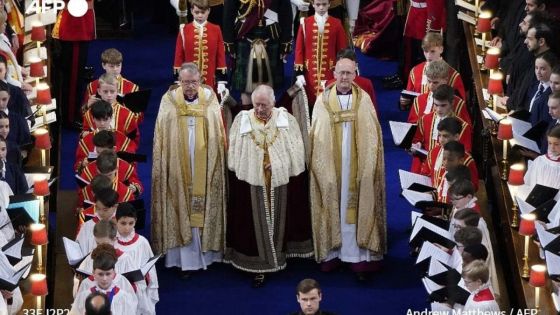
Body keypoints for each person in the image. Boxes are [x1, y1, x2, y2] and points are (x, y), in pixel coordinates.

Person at [309, 56, 385, 281]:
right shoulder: (323, 101)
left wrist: (367, 165)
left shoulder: (364, 101)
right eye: (341, 73)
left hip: (357, 164)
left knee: (358, 202)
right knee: (332, 199)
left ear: (355, 75)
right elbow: (317, 134)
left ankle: (358, 257)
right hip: (331, 165)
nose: (344, 78)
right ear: (334, 73)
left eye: (349, 73)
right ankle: (332, 252)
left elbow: (372, 136)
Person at [227, 84, 311, 287]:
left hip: (279, 182)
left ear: (273, 102)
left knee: (281, 219)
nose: (259, 109)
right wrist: (253, 167)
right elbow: (234, 154)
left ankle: (281, 255)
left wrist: (279, 165)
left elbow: (297, 154)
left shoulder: (286, 120)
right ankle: (258, 264)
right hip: (252, 184)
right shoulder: (242, 120)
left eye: (264, 105)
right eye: (256, 105)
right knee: (253, 223)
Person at [151, 63, 226, 277]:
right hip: (177, 162)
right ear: (179, 81)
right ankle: (183, 259)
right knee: (179, 202)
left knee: (204, 200)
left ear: (201, 80)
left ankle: (208, 253)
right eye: (185, 82)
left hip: (204, 161)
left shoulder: (210, 99)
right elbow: (161, 133)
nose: (190, 87)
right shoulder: (169, 100)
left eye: (194, 82)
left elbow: (217, 132)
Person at [223, 0, 293, 107]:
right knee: (245, 86)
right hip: (245, 36)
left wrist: (285, 43)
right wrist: (230, 43)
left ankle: (268, 118)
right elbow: (228, 14)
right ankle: (247, 118)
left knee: (269, 86)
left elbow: (286, 14)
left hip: (271, 37)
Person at [294, 0, 347, 106]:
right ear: (313, 5)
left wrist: (340, 69)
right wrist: (299, 73)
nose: (321, 8)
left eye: (324, 4)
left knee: (328, 100)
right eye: (318, 5)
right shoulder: (305, 23)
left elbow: (342, 50)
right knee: (309, 100)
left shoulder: (336, 23)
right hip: (309, 72)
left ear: (329, 5)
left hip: (330, 70)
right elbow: (299, 48)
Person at [411, 85, 472, 174]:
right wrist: (417, 145)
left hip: (448, 170)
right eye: (436, 105)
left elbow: (464, 153)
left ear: (452, 103)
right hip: (425, 166)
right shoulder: (425, 119)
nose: (439, 109)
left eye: (443, 105)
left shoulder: (463, 126)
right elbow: (417, 139)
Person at [401, 33, 465, 110]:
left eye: (432, 51)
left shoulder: (454, 76)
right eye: (425, 51)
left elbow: (459, 106)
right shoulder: (415, 71)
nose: (428, 56)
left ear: (441, 49)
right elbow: (410, 97)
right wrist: (405, 101)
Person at [115, 203, 159, 314]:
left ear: (135, 221)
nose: (127, 228)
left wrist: (146, 277)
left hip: (138, 287)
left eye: (131, 223)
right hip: (117, 289)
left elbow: (150, 269)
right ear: (116, 221)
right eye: (123, 223)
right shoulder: (112, 243)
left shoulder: (142, 242)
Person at [174, 0, 227, 91]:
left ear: (209, 11)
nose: (200, 15)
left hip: (210, 80)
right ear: (191, 11)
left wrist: (221, 81)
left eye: (203, 12)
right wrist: (178, 80)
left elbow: (220, 55)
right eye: (197, 12)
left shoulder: (216, 29)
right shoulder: (184, 30)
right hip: (188, 80)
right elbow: (179, 56)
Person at [70, 246, 138, 315]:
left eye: (108, 274)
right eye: (100, 274)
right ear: (93, 273)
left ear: (114, 272)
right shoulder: (84, 296)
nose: (104, 278)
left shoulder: (123, 297)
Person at [518, 125, 560, 200]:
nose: (552, 147)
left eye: (556, 144)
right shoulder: (540, 161)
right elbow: (528, 184)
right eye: (550, 143)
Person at [75, 188, 119, 253]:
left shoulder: (122, 223)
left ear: (115, 206)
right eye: (98, 208)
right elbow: (79, 248)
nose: (100, 213)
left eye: (105, 210)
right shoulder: (87, 225)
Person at [527, 51, 557, 126]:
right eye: (536, 68)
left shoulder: (554, 91)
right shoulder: (534, 86)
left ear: (552, 69)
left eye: (543, 69)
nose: (538, 72)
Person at [0, 81, 30, 147]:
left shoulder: (19, 120)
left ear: (9, 98)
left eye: (4, 99)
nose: (0, 104)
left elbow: (26, 145)